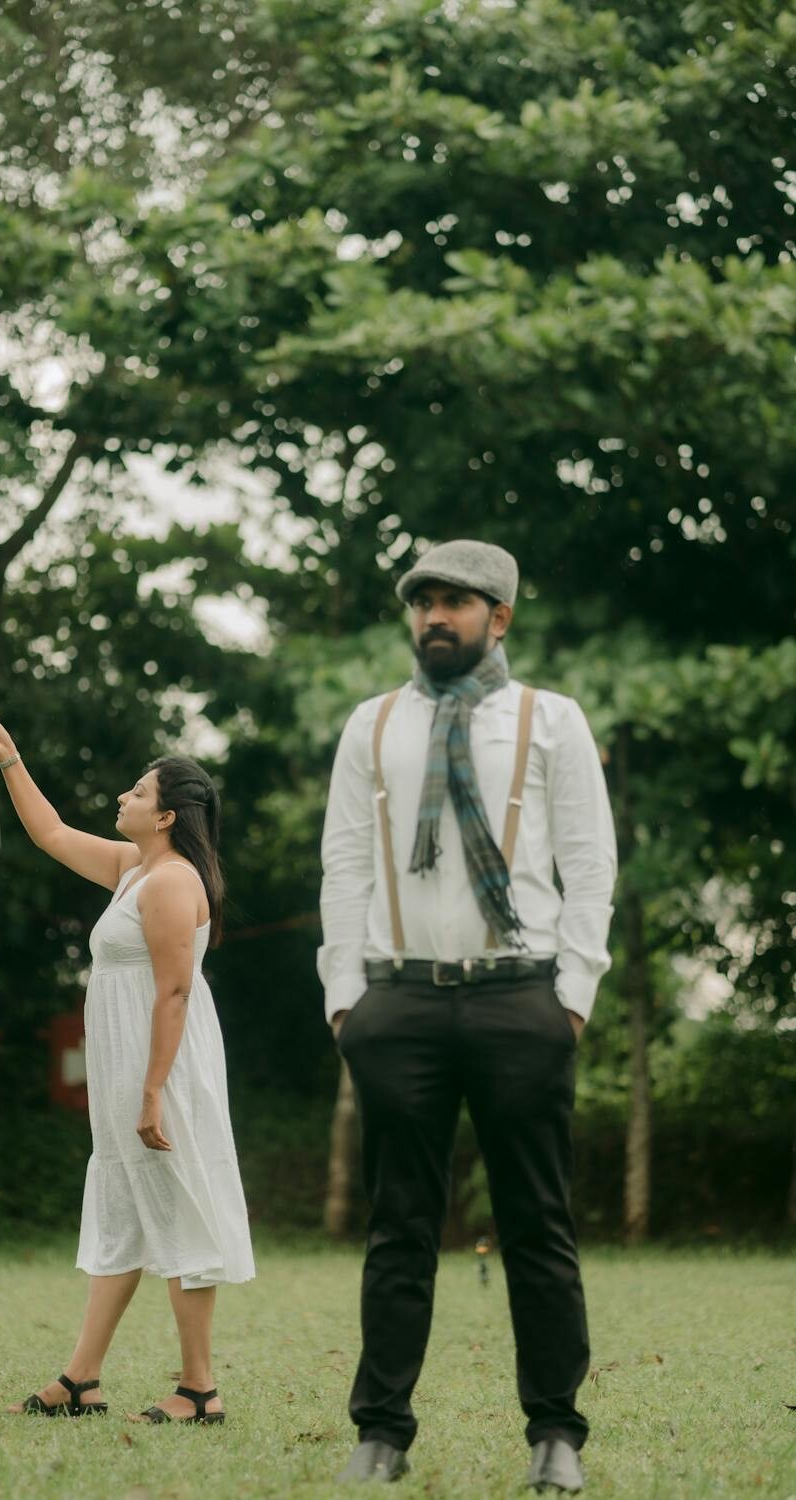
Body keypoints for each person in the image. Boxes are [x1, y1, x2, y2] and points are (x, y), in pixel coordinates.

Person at [318, 541, 617, 1492]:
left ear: (501, 617)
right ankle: (381, 1434)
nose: (435, 617)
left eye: (456, 601)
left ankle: (556, 1434)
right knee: (397, 1227)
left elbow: (590, 864)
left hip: (518, 995)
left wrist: (572, 997)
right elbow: (345, 865)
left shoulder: (551, 720)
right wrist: (345, 998)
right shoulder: (372, 724)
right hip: (397, 1000)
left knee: (538, 1224)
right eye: (424, 602)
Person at [0, 711, 254, 1424]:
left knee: (181, 1209)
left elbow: (175, 992)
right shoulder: (135, 869)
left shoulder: (171, 882)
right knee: (123, 1208)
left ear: (167, 815)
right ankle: (80, 1380)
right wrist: (9, 758)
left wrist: (153, 1092)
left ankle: (199, 1390)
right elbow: (52, 834)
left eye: (137, 791)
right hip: (128, 1066)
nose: (123, 797)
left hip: (164, 1068)